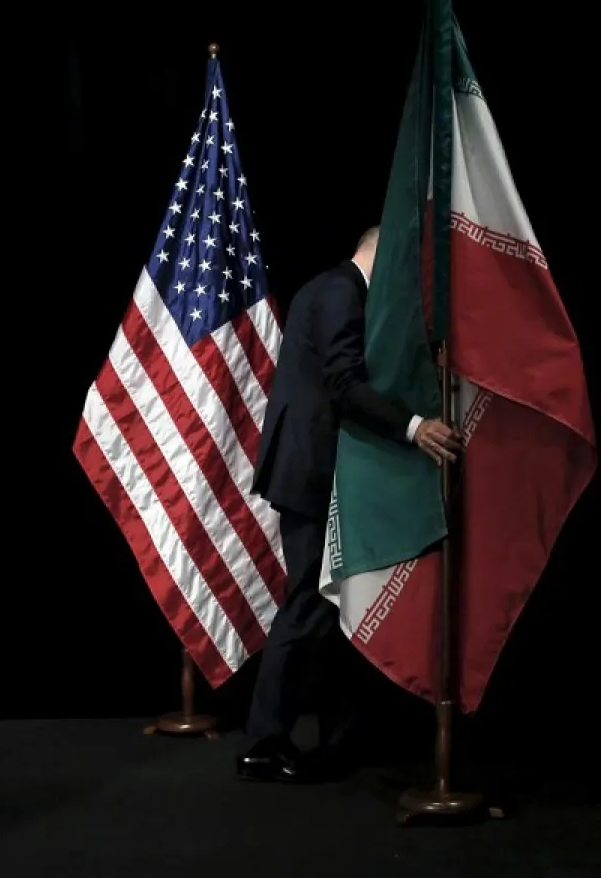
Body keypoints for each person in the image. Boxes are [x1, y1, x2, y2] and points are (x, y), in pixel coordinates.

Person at [238, 225, 461, 783]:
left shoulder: (328, 288)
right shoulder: (342, 291)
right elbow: (344, 384)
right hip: (311, 471)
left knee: (329, 608)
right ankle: (262, 742)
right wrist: (414, 427)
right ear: (378, 256)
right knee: (309, 605)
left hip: (316, 469)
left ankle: (338, 735)